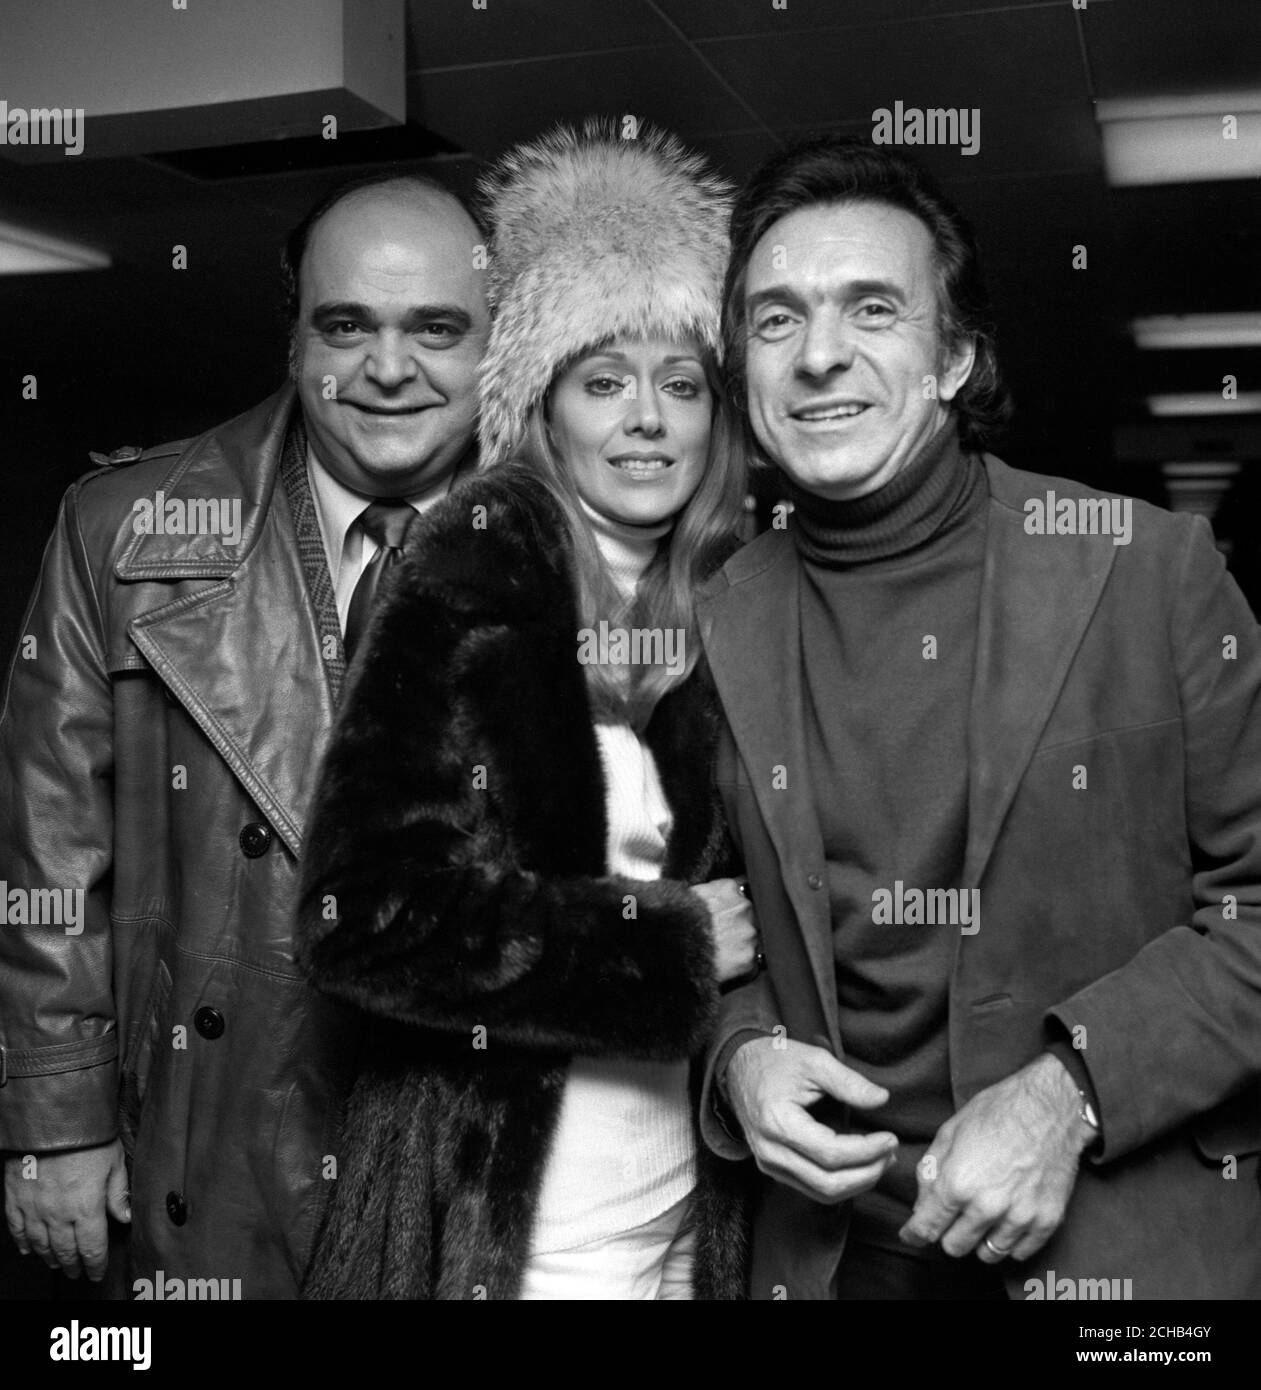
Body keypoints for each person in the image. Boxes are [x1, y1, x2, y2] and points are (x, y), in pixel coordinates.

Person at [698, 136, 1261, 1300]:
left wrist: (1071, 1091)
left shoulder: (1148, 571)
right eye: (775, 319)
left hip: (1120, 1263)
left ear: (953, 355)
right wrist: (736, 1059)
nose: (820, 355)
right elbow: (698, 924)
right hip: (831, 1257)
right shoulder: (712, 623)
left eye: (871, 309)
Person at [0, 170, 489, 1297]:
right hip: (208, 1129)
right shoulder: (123, 527)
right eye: (346, 325)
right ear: (293, 338)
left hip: (469, 1136)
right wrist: (54, 1116)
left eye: (438, 330)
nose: (388, 368)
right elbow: (47, 853)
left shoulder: (587, 536)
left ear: (495, 347)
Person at [294, 122, 754, 1300]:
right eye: (603, 382)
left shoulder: (736, 602)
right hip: (507, 1226)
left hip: (694, 1220)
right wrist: (662, 946)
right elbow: (363, 915)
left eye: (681, 383)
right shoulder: (478, 566)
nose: (646, 419)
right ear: (545, 409)